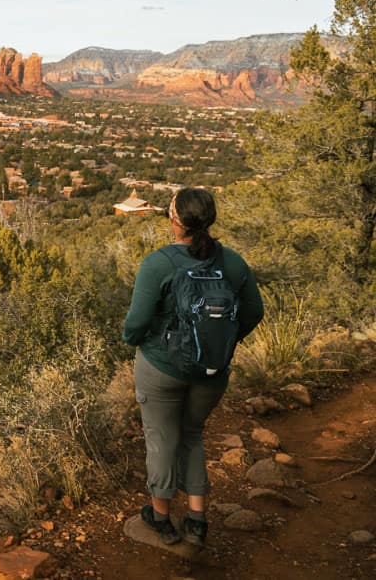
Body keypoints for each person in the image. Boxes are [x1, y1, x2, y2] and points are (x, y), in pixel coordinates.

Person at [123, 187, 263, 546]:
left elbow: (135, 324)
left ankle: (161, 518)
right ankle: (197, 521)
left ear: (175, 220)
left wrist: (138, 340)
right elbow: (253, 312)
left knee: (161, 439)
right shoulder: (232, 262)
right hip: (212, 372)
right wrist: (222, 343)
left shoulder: (159, 263)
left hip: (161, 367)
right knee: (193, 435)